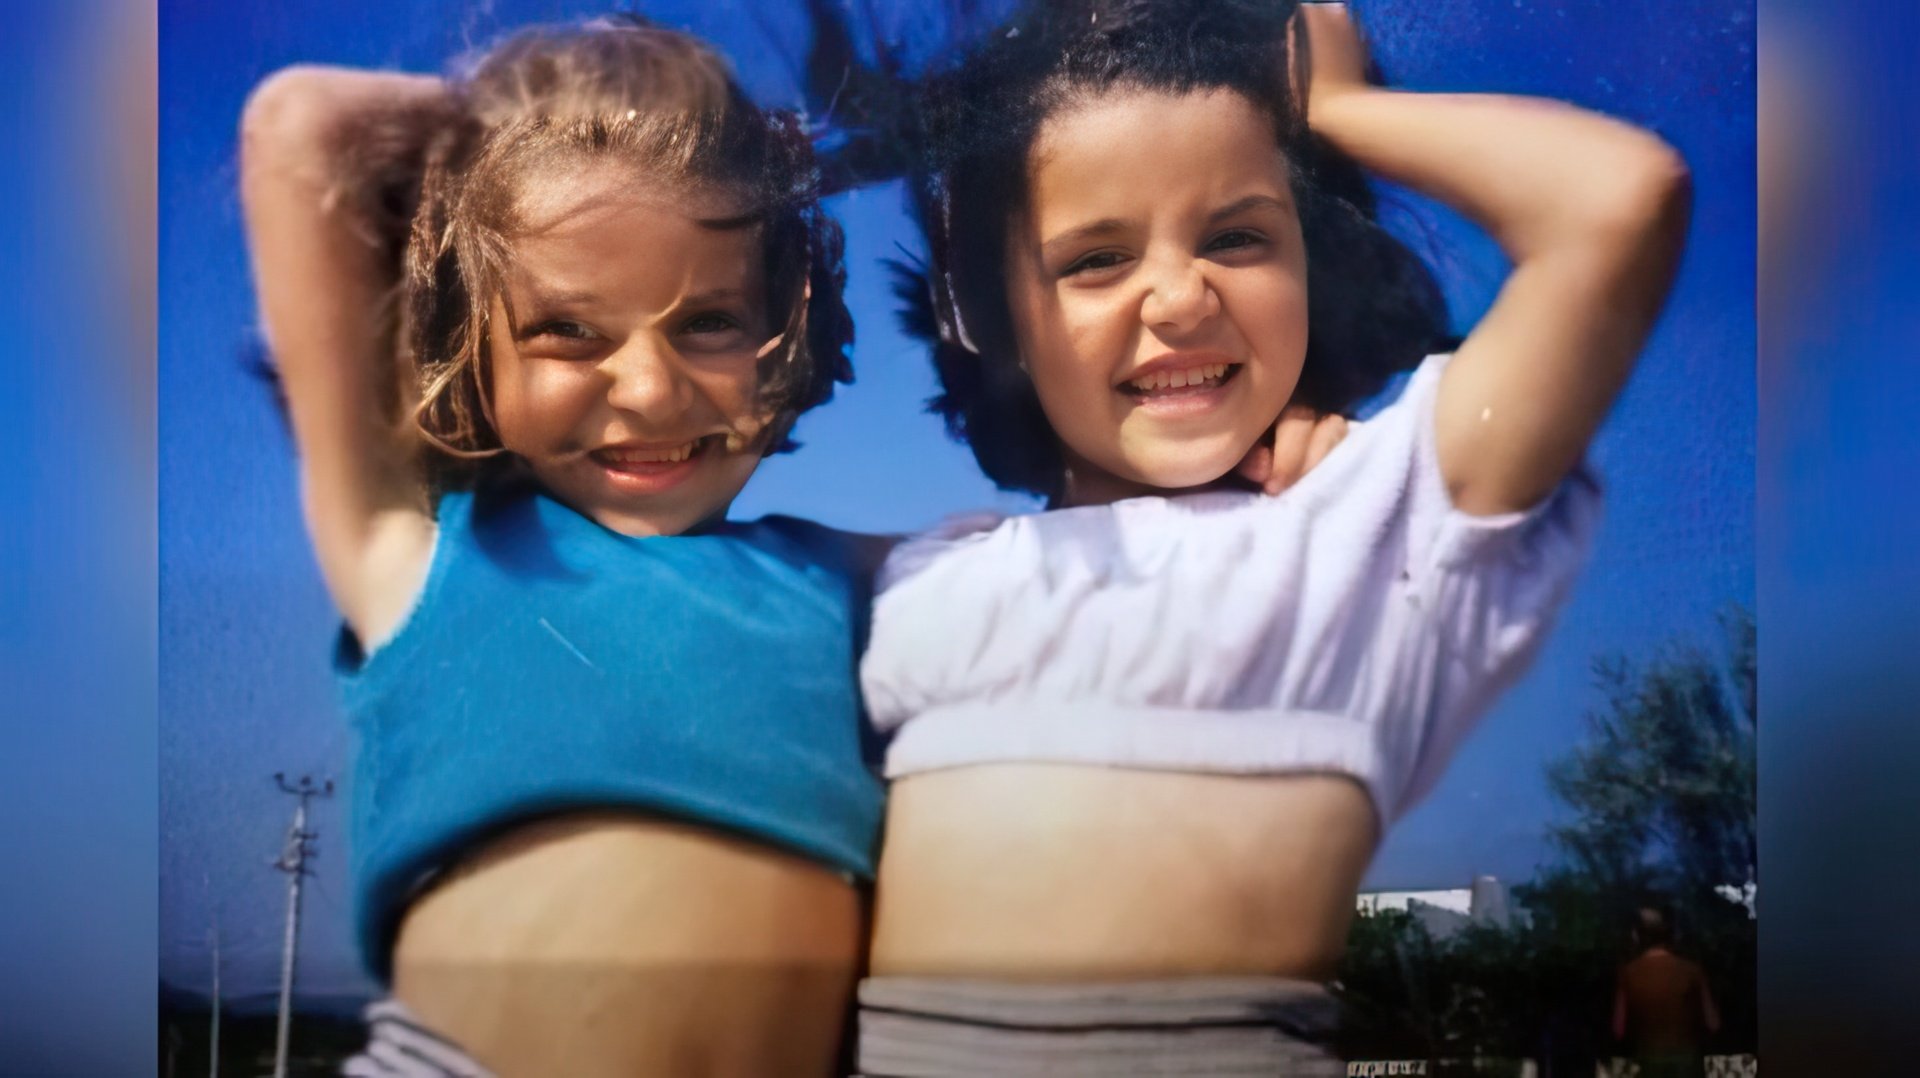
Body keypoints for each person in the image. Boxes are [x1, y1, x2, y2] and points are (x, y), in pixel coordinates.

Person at [851, 0, 1691, 1073]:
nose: (1181, 296)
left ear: (1313, 264)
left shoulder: (1375, 535)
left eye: (1238, 235)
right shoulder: (922, 577)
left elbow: (1620, 203)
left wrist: (1335, 108)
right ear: (985, 310)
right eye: (1096, 259)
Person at [238, 16, 883, 1075]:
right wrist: (517, 134)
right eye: (568, 332)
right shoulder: (421, 557)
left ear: (787, 326)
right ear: (466, 344)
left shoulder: (844, 577)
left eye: (709, 322)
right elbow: (293, 126)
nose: (650, 388)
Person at [1613, 907, 1722, 1078]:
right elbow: (1713, 1023)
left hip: (1649, 1063)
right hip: (1687, 1063)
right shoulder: (1692, 970)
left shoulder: (1628, 974)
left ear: (1637, 936)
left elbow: (1619, 1030)